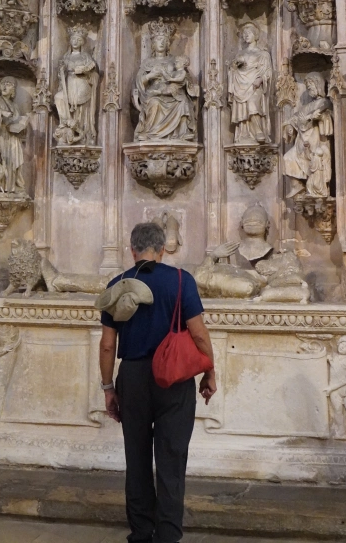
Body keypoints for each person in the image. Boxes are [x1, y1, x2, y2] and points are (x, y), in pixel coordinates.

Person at [99, 222, 216, 543]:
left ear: (132, 249)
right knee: (171, 458)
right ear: (162, 249)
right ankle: (167, 536)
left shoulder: (117, 284)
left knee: (136, 458)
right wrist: (209, 371)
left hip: (133, 377)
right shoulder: (181, 281)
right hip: (174, 377)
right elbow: (198, 333)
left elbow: (108, 344)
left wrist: (109, 388)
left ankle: (140, 534)